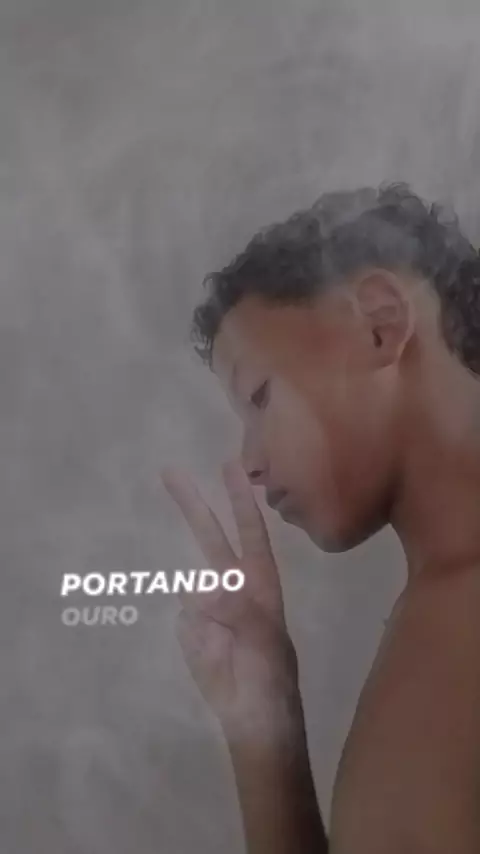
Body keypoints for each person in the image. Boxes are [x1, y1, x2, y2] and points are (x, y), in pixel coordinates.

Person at [161, 182, 480, 853]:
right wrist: (266, 729)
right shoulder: (431, 610)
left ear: (380, 325)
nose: (249, 461)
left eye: (260, 395)